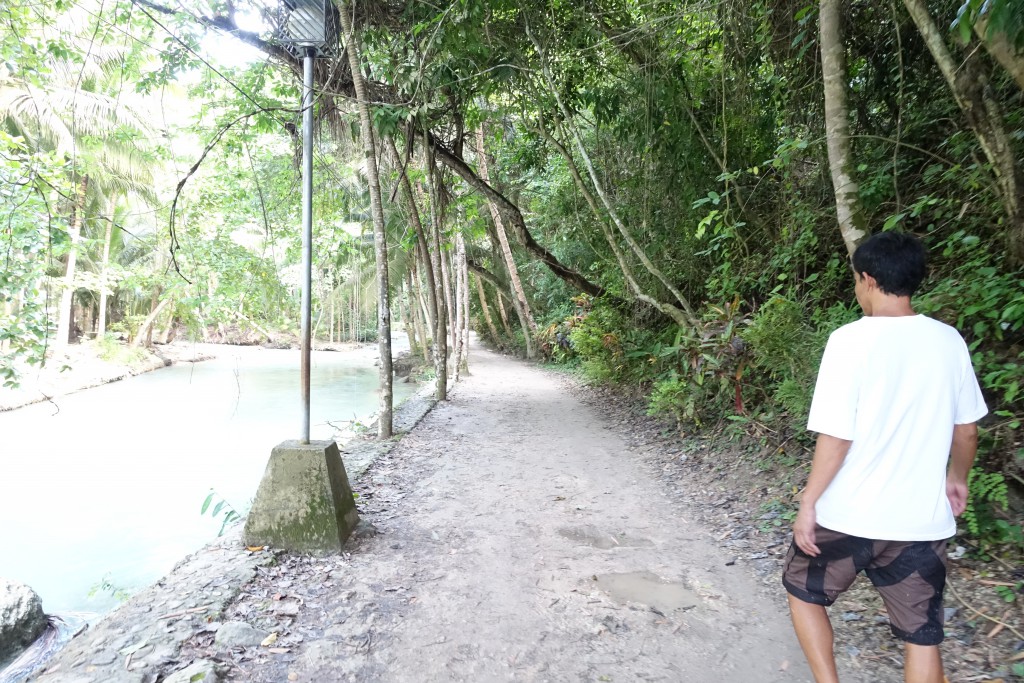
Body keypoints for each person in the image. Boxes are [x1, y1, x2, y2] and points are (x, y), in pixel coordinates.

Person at [782, 231, 988, 683]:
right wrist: (958, 478)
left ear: (868, 279)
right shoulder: (948, 340)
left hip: (849, 513)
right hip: (920, 521)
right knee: (922, 635)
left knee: (803, 591)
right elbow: (968, 430)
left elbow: (837, 438)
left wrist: (808, 501)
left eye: (856, 280)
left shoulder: (849, 340)